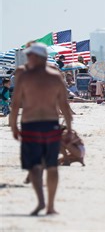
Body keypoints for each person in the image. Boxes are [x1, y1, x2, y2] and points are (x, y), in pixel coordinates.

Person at [9, 43, 73, 215]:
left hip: (30, 125)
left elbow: (15, 104)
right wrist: (69, 127)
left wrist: (13, 125)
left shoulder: (25, 77)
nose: (27, 58)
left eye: (30, 55)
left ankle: (42, 202)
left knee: (35, 166)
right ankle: (49, 205)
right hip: (51, 125)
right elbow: (64, 106)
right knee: (51, 166)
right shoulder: (56, 77)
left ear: (38, 58)